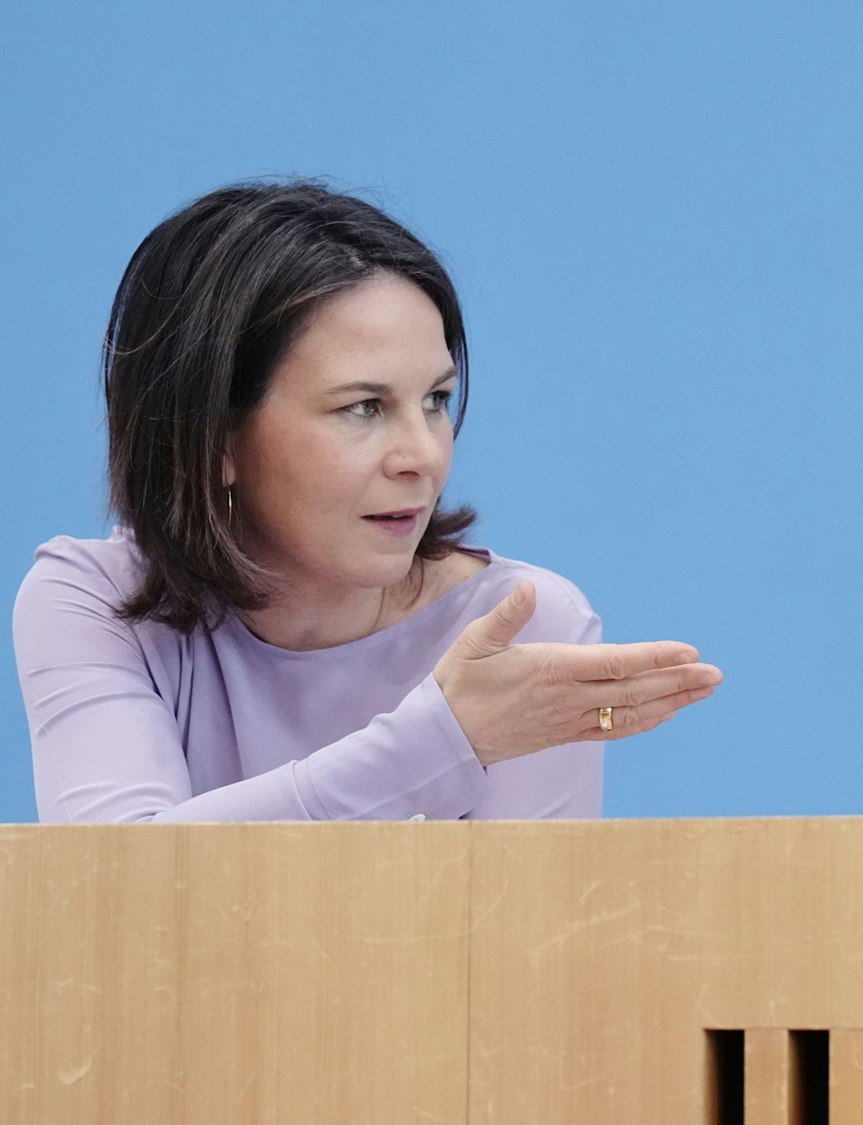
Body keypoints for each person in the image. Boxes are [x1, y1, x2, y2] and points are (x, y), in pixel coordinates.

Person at [14, 181, 723, 822]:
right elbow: (115, 891)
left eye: (437, 399)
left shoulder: (524, 631)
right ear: (215, 437)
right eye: (363, 408)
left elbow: (521, 958)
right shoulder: (91, 600)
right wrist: (444, 741)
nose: (423, 456)